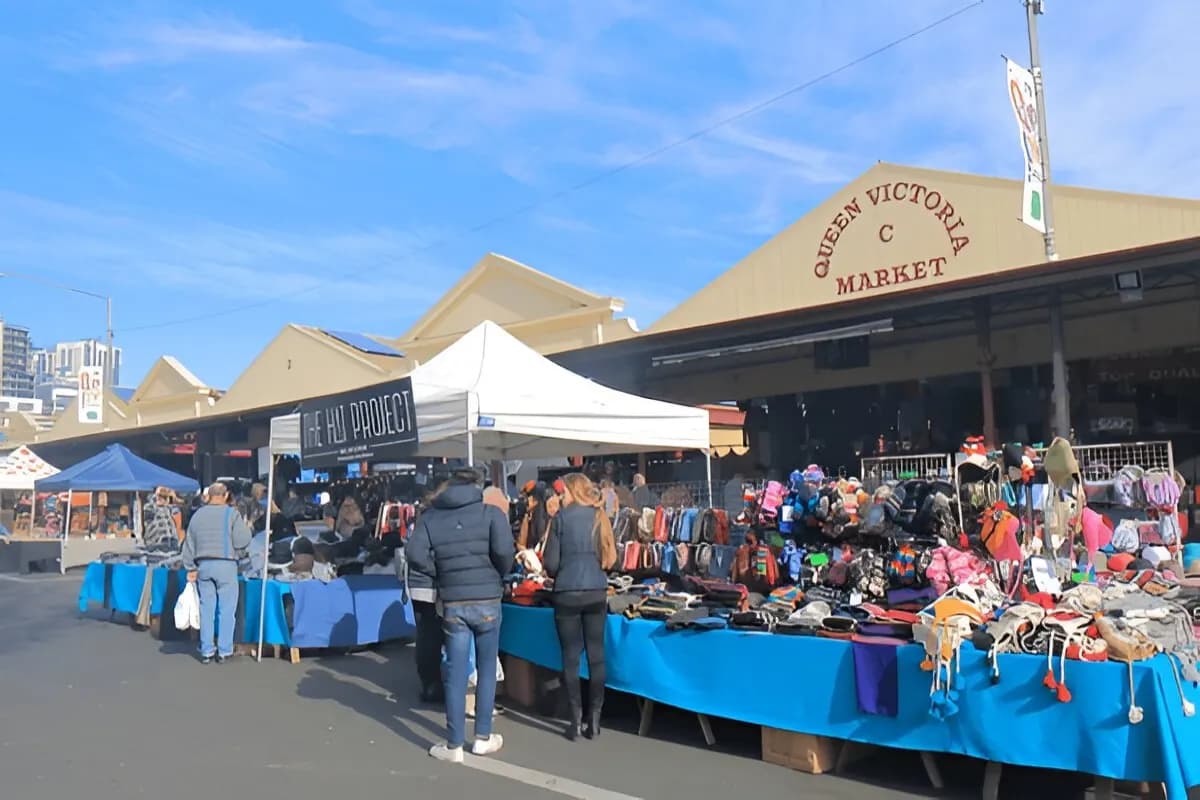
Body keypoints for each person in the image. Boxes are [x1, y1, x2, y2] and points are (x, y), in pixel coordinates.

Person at [406, 468, 514, 763]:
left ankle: (453, 744)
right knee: (486, 667)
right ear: (476, 486)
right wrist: (496, 574)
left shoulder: (430, 518)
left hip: (453, 599)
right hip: (488, 597)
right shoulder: (491, 514)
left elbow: (414, 554)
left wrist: (439, 572)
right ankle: (483, 736)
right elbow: (505, 553)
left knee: (455, 671)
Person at [542, 473, 617, 740]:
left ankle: (574, 721)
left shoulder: (560, 519)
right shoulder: (599, 516)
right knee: (597, 656)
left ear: (572, 491)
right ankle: (594, 720)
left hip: (567, 591)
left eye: (563, 492)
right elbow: (610, 557)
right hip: (596, 590)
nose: (560, 497)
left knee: (570, 657)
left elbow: (550, 563)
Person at [182, 482, 253, 664]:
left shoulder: (198, 515)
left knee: (206, 608)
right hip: (226, 565)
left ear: (209, 496)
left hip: (204, 565)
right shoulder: (231, 514)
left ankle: (206, 650)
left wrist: (190, 567)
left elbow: (189, 543)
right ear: (226, 495)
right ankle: (224, 650)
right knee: (227, 610)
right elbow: (243, 540)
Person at [405, 485, 447, 705]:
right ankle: (432, 684)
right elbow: (415, 553)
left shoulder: (425, 517)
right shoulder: (434, 518)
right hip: (428, 584)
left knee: (426, 633)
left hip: (420, 584)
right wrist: (436, 569)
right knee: (431, 634)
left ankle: (430, 683)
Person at [517, 483, 553, 551]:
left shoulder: (546, 520)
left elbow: (521, 544)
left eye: (527, 497)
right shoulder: (528, 516)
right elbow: (521, 544)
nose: (526, 501)